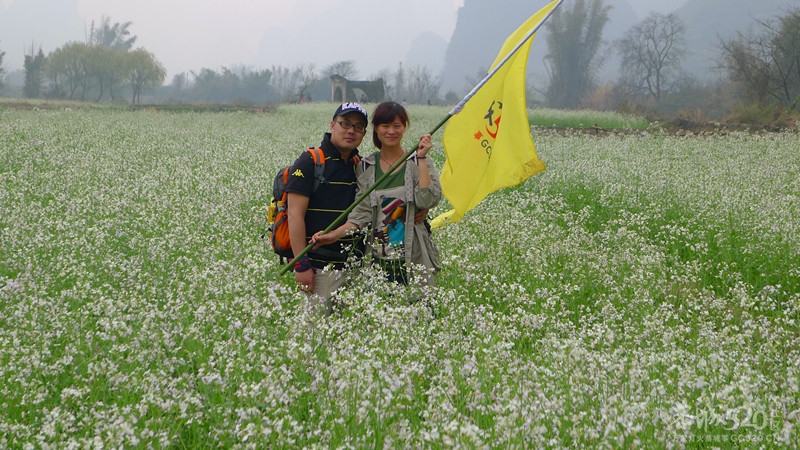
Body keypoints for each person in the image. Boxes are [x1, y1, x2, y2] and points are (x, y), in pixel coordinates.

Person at [313, 101, 442, 286]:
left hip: (416, 260)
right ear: (376, 129)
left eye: (397, 126)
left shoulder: (418, 160)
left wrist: (421, 157)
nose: (391, 131)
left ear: (404, 128)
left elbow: (427, 199)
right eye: (385, 126)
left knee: (420, 312)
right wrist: (334, 235)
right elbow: (361, 215)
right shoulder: (366, 167)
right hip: (380, 262)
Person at [285, 102, 368, 312]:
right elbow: (294, 215)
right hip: (318, 269)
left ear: (364, 133)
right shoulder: (310, 161)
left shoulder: (359, 165)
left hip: (353, 267)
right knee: (312, 336)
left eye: (358, 127)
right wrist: (301, 264)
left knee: (345, 337)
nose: (351, 131)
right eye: (345, 123)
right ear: (333, 125)